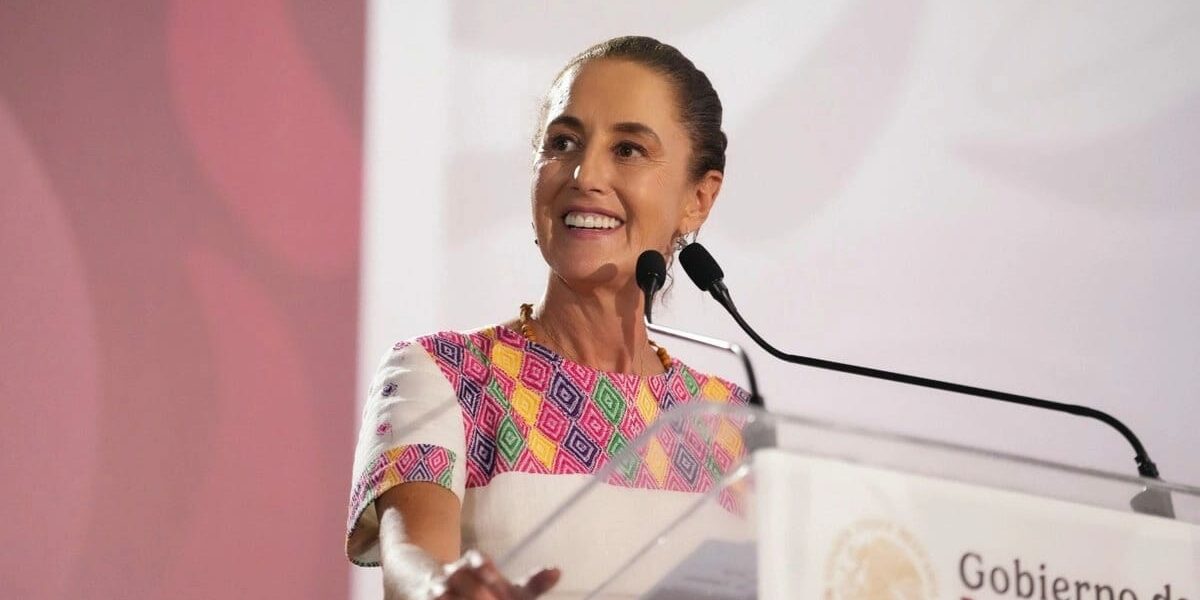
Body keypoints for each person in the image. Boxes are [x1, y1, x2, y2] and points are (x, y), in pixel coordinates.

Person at [346, 36, 750, 600]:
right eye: (563, 143)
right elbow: (411, 564)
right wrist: (439, 588)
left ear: (698, 199)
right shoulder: (443, 375)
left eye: (628, 149)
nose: (584, 174)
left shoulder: (731, 423)